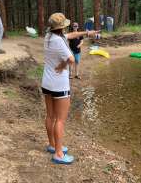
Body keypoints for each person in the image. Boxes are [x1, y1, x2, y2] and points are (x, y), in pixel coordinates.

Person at [41, 13, 98, 164]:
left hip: (46, 82)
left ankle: (53, 146)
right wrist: (62, 65)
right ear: (62, 27)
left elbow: (71, 35)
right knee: (60, 120)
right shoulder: (59, 41)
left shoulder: (48, 37)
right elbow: (71, 59)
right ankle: (59, 154)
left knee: (50, 116)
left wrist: (86, 33)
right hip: (59, 84)